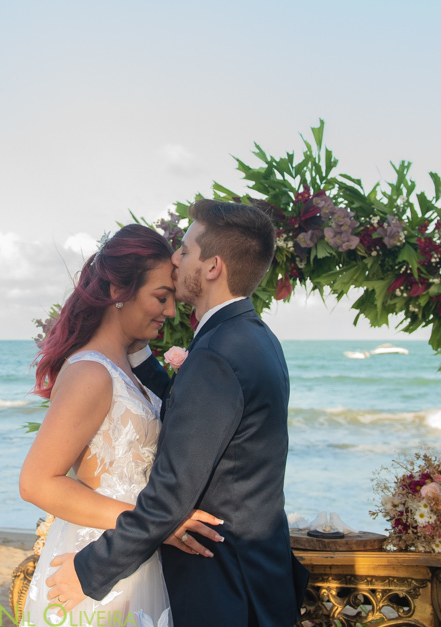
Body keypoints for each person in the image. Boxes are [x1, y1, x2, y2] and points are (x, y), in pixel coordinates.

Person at [45, 199, 309, 627]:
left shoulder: (217, 354)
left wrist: (89, 571)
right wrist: (137, 357)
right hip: (258, 575)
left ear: (212, 267)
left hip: (225, 585)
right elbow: (202, 421)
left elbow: (171, 492)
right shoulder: (254, 339)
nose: (176, 257)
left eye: (185, 250)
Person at [19, 224, 225, 627]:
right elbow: (37, 482)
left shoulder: (125, 370)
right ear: (118, 292)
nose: (170, 312)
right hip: (97, 560)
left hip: (133, 553)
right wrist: (152, 524)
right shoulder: (91, 374)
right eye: (161, 297)